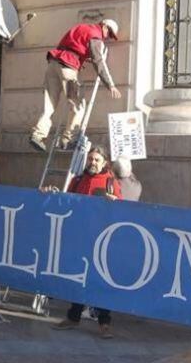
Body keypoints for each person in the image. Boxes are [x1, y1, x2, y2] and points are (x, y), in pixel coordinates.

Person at [51, 145, 122, 339]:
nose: (93, 162)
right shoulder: (77, 180)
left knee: (99, 281)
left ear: (104, 162)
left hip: (100, 240)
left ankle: (104, 323)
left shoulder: (110, 182)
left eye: (97, 159)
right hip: (79, 238)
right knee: (77, 278)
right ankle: (73, 317)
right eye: (90, 159)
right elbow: (66, 203)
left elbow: (122, 210)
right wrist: (50, 193)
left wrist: (115, 200)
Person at [29, 19, 122, 152]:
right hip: (68, 69)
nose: (107, 37)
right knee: (78, 105)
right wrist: (111, 84)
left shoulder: (81, 27)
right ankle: (68, 139)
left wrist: (83, 58)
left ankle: (38, 135)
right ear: (104, 26)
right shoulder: (96, 35)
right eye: (109, 33)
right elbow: (99, 62)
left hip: (53, 65)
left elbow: (71, 46)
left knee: (49, 104)